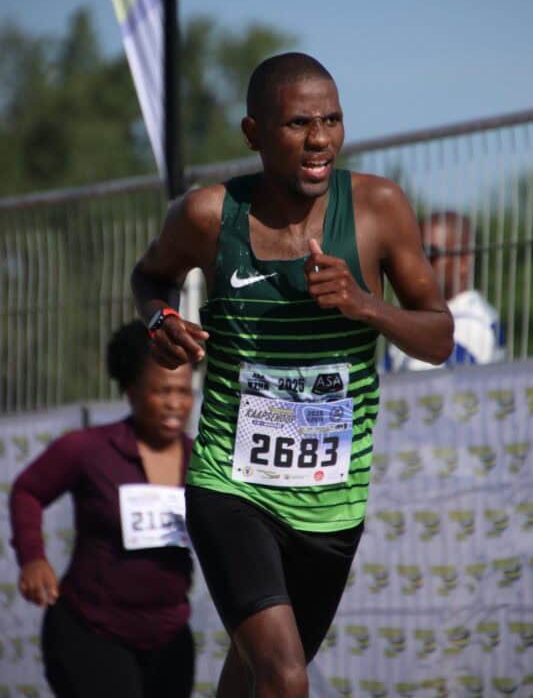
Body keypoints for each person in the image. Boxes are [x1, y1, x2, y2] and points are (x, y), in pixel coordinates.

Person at [131, 52, 454, 698]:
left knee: (256, 673)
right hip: (231, 484)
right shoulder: (207, 215)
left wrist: (364, 304)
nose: (319, 140)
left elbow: (439, 336)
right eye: (299, 123)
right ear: (253, 134)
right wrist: (159, 319)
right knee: (284, 675)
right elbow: (150, 276)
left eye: (331, 120)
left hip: (333, 501)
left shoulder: (378, 207)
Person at [9, 320, 196, 698]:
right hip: (91, 631)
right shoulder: (88, 449)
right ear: (131, 392)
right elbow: (28, 491)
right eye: (162, 391)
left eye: (183, 391)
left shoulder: (201, 461)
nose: (175, 403)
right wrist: (33, 558)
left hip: (170, 636)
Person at [385, 211, 505, 371]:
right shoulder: (420, 316)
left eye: (430, 253)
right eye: (415, 254)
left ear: (463, 261)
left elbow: (427, 383)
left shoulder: (473, 322)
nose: (419, 264)